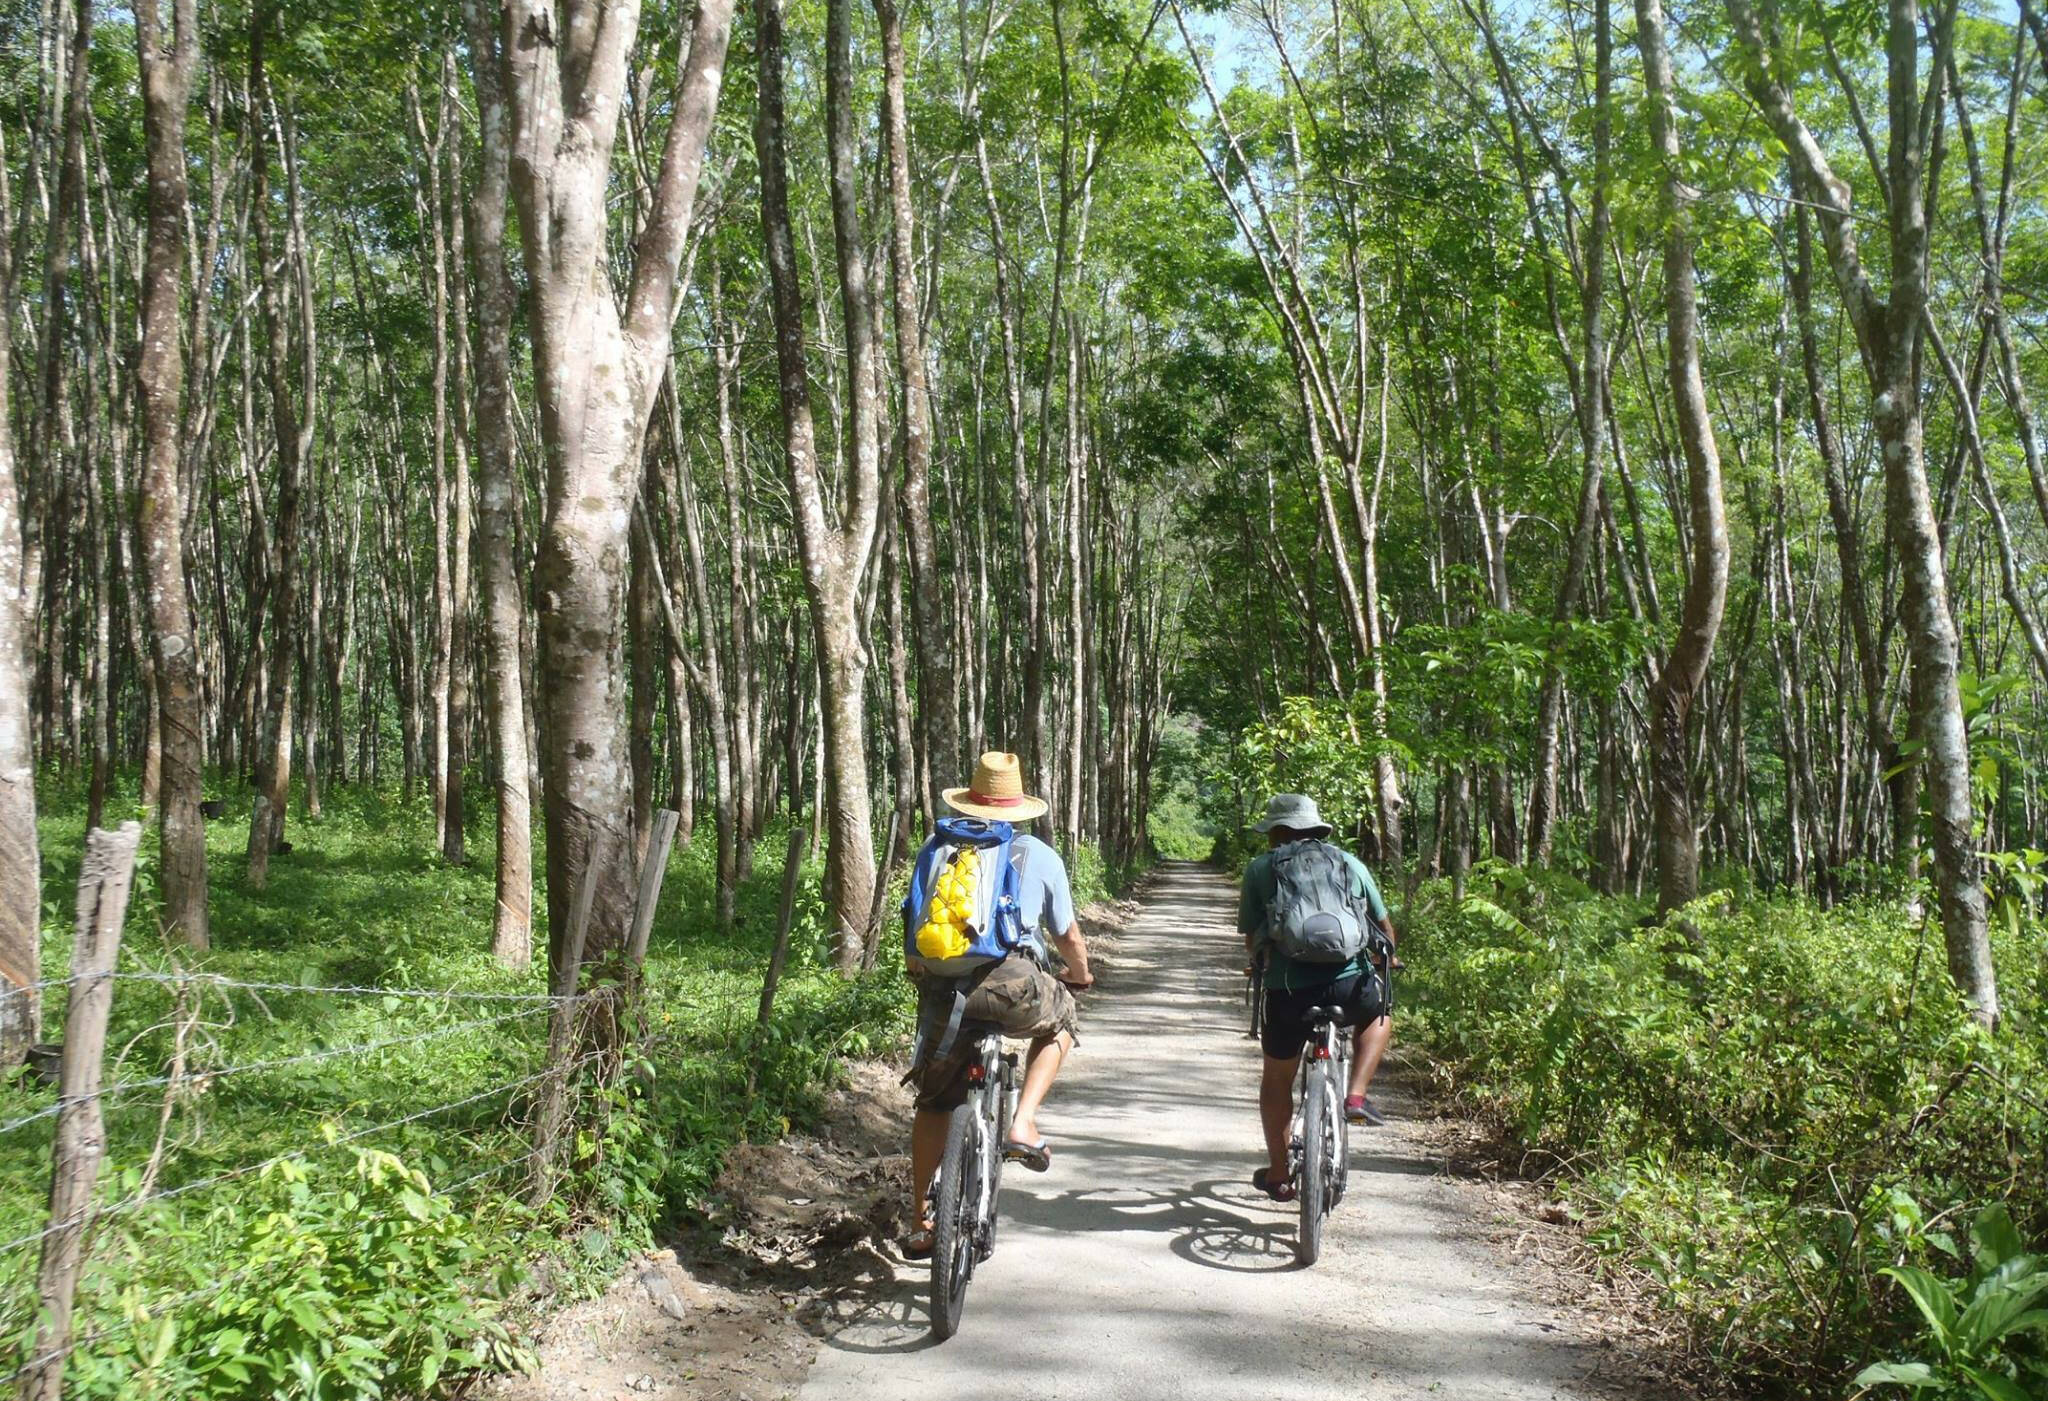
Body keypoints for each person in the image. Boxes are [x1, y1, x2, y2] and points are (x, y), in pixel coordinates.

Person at [903, 751, 1094, 1258]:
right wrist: (1080, 976)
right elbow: (1068, 935)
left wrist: (918, 969)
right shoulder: (1039, 855)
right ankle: (1022, 1122)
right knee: (1062, 1021)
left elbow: (913, 920)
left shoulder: (938, 846)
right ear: (1019, 808)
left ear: (971, 799)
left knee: (934, 1102)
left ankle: (921, 1221)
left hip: (947, 989)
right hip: (1014, 984)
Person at [1238, 793, 1396, 1202]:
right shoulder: (1347, 862)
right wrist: (1385, 961)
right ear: (1315, 829)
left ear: (1276, 832)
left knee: (1276, 1078)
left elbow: (1252, 937)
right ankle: (1356, 1095)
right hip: (1349, 984)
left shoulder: (1260, 869)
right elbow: (1382, 926)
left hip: (1288, 991)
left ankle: (1278, 1174)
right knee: (1380, 1017)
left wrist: (1258, 962)